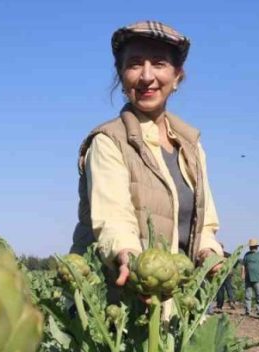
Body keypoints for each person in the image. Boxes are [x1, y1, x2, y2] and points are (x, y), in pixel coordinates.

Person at [71, 21, 223, 287]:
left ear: (177, 76)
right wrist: (128, 256)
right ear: (121, 75)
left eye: (159, 63)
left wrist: (208, 253)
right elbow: (113, 219)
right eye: (134, 64)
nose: (146, 76)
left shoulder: (191, 145)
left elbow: (205, 223)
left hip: (176, 300)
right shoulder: (109, 141)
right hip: (121, 300)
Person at [241, 238, 259, 316]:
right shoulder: (247, 255)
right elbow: (243, 265)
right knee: (248, 295)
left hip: (258, 278)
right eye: (251, 246)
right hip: (248, 278)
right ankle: (247, 311)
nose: (251, 248)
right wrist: (242, 274)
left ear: (256, 246)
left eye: (253, 246)